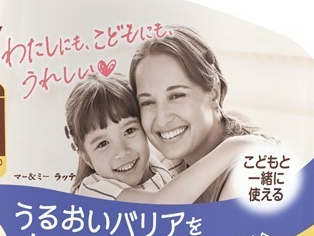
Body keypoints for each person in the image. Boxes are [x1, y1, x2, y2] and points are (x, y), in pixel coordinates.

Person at [129, 26, 273, 202]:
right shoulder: (174, 164)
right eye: (147, 102)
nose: (162, 119)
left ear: (214, 93)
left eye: (176, 96)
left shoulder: (249, 172)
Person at [66, 73, 247, 203]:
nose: (122, 151)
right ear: (85, 156)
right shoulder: (94, 190)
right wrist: (232, 148)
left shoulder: (160, 166)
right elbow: (159, 205)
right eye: (103, 143)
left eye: (129, 131)